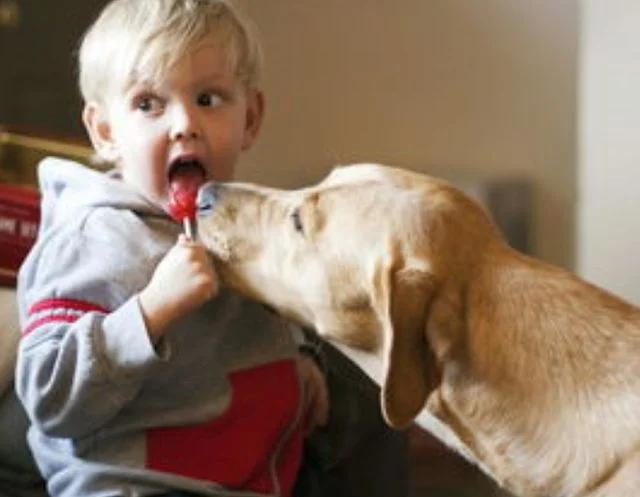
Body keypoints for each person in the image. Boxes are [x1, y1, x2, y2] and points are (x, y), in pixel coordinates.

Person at [15, 1, 409, 496]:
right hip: (137, 483)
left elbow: (270, 307)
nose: (184, 123)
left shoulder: (243, 221)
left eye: (208, 98)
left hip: (255, 466)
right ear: (105, 132)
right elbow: (49, 399)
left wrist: (297, 357)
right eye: (148, 104)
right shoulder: (96, 240)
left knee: (374, 397)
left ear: (251, 118)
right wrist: (150, 313)